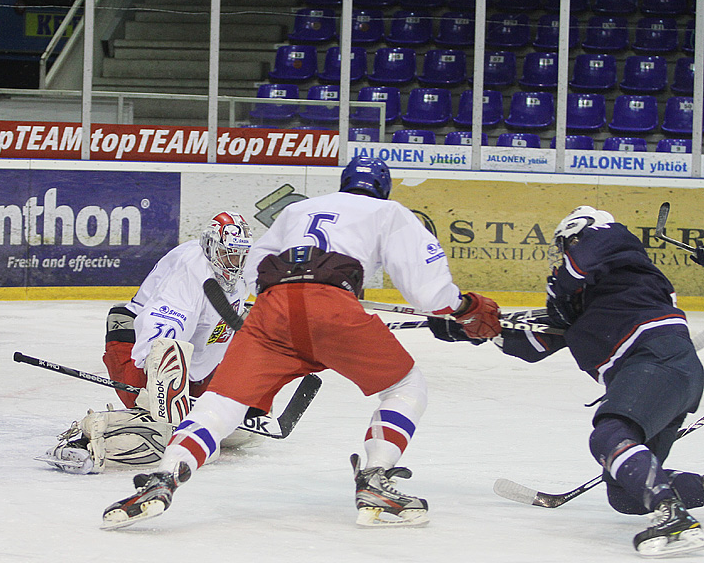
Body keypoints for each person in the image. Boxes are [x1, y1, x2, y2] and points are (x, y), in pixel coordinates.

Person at [101, 156, 502, 529]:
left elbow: (257, 265)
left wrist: (302, 287)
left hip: (273, 308)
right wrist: (464, 307)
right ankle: (375, 477)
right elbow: (430, 295)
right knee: (406, 385)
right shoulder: (389, 212)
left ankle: (165, 475)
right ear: (383, 189)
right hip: (332, 309)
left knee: (222, 403)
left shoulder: (297, 210)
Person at [430, 205, 704, 558]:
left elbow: (582, 262)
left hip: (656, 358)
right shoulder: (590, 301)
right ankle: (668, 500)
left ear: (579, 234)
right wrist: (475, 330)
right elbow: (534, 343)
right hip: (665, 373)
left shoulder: (614, 239)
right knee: (625, 493)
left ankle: (674, 516)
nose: (562, 256)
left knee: (609, 436)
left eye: (565, 246)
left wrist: (560, 294)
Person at [39, 211, 256, 474]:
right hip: (136, 347)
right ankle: (88, 438)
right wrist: (159, 392)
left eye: (239, 254)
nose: (234, 261)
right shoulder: (190, 271)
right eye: (228, 253)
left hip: (189, 353)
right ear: (210, 246)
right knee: (165, 428)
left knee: (226, 423)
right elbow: (161, 338)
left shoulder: (236, 269)